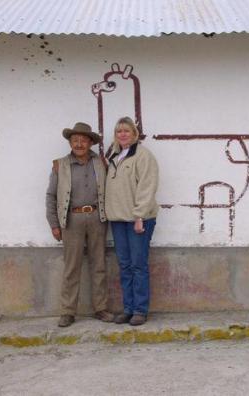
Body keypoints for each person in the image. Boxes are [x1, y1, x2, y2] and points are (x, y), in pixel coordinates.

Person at [46, 122, 114, 327]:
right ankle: (68, 311)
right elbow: (51, 196)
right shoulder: (60, 165)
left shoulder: (101, 162)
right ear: (70, 142)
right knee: (71, 267)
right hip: (71, 220)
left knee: (99, 265)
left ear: (90, 142)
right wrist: (54, 224)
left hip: (97, 218)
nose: (79, 144)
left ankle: (100, 308)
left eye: (83, 140)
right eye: (75, 140)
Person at [105, 116, 159, 326]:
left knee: (138, 265)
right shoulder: (115, 156)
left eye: (127, 131)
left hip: (138, 219)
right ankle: (128, 308)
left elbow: (147, 186)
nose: (123, 134)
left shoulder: (143, 156)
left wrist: (139, 216)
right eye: (119, 131)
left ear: (135, 134)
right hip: (118, 219)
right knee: (125, 265)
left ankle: (140, 310)